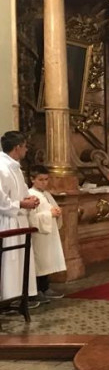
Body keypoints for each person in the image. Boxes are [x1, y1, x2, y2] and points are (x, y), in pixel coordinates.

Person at [0, 131, 40, 306]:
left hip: (19, 220)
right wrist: (22, 204)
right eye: (24, 147)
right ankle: (8, 298)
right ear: (17, 147)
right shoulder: (1, 168)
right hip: (6, 221)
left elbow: (23, 192)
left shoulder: (15, 168)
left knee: (21, 259)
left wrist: (31, 199)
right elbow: (1, 200)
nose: (26, 150)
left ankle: (21, 295)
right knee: (10, 260)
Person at [27, 165, 66, 302]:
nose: (44, 183)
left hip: (48, 233)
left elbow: (51, 209)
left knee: (46, 261)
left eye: (46, 179)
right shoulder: (30, 194)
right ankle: (36, 290)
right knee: (39, 262)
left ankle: (45, 287)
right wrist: (49, 214)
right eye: (41, 180)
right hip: (38, 235)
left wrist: (57, 212)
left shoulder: (47, 194)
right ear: (32, 179)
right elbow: (31, 218)